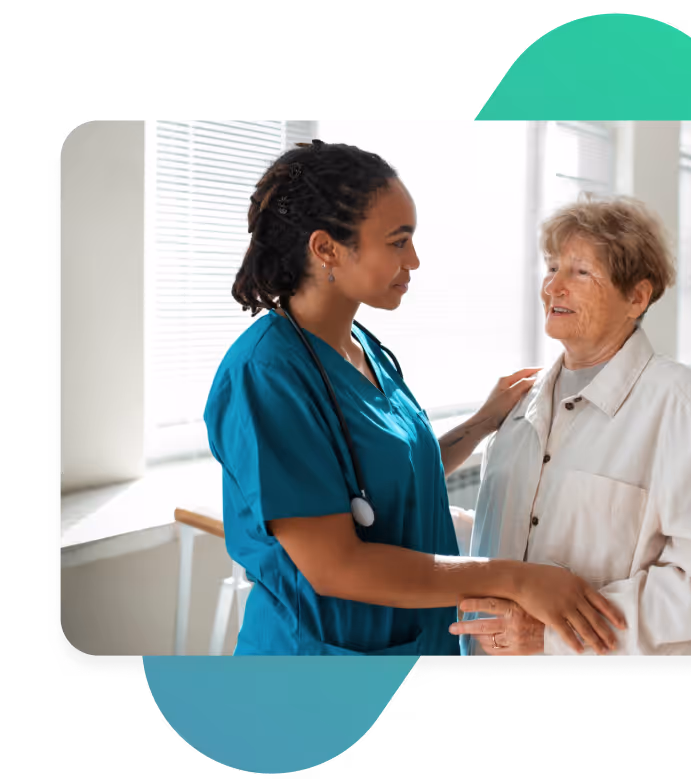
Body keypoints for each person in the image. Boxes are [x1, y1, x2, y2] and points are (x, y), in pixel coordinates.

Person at [203, 140, 627, 656]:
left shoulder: (366, 349)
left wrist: (480, 424)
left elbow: (386, 481)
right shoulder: (266, 375)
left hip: (416, 645)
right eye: (398, 242)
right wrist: (516, 579)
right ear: (326, 249)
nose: (416, 260)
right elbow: (337, 566)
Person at [450, 194, 691, 656]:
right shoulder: (519, 406)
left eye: (579, 272)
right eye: (551, 268)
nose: (553, 288)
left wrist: (547, 634)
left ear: (637, 297)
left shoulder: (683, 407)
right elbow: (513, 536)